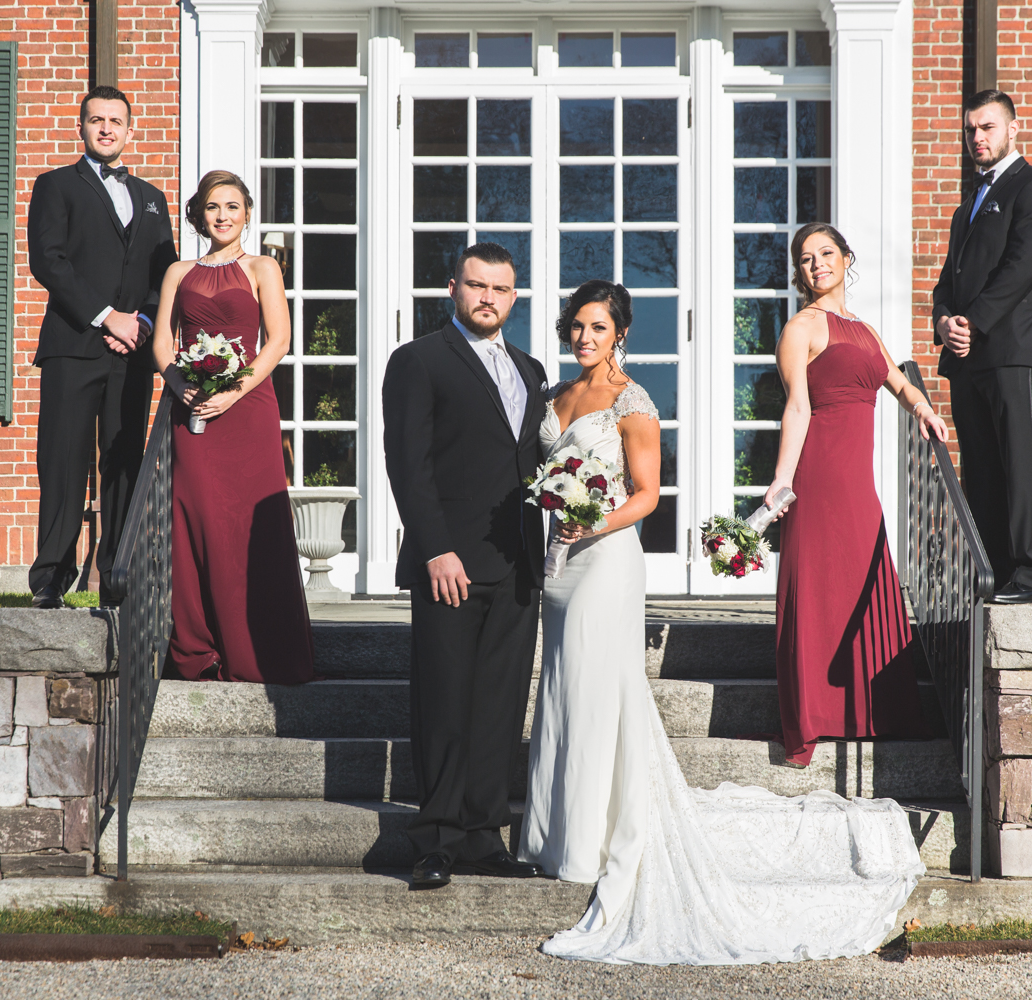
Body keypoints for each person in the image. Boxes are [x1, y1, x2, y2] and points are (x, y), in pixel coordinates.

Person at [521, 280, 926, 966]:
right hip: (558, 566)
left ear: (621, 334)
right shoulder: (555, 395)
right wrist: (560, 518)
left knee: (597, 693)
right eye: (577, 327)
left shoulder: (633, 402)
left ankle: (589, 841)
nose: (585, 337)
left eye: (598, 327)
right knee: (561, 690)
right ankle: (552, 833)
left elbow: (647, 495)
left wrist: (589, 523)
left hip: (604, 561)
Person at [381, 242, 548, 889]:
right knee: (444, 702)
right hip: (448, 562)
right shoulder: (418, 360)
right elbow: (408, 463)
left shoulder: (531, 370)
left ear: (514, 297)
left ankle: (483, 837)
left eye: (500, 289)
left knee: (499, 707)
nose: (488, 298)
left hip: (517, 565)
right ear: (453, 288)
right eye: (477, 286)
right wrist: (434, 547)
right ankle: (437, 839)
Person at [765, 224, 943, 769]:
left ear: (846, 258)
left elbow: (898, 381)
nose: (817, 263)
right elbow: (797, 408)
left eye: (826, 253)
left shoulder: (863, 330)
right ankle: (814, 715)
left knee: (864, 576)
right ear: (799, 272)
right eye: (806, 258)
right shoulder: (801, 327)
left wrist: (923, 409)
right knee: (818, 586)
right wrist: (782, 480)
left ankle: (875, 712)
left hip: (857, 482)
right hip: (819, 475)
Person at [149, 171, 316, 684]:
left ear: (246, 214)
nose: (222, 216)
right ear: (199, 215)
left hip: (248, 410)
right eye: (212, 207)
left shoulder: (263, 267)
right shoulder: (178, 272)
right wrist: (181, 386)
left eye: (232, 206)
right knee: (198, 520)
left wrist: (233, 392)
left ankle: (261, 649)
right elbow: (162, 344)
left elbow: (278, 340)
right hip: (194, 409)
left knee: (250, 525)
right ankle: (200, 649)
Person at [27, 85, 177, 609]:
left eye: (116, 121)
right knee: (63, 461)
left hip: (132, 353)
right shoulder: (55, 185)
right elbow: (48, 261)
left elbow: (166, 273)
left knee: (124, 461)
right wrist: (107, 316)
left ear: (130, 131)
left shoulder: (154, 198)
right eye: (97, 120)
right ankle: (51, 578)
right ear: (81, 128)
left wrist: (142, 322)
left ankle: (116, 576)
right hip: (73, 346)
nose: (107, 128)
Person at [932, 89, 1032, 604]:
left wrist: (973, 322)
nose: (977, 137)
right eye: (970, 129)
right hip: (968, 359)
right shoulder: (966, 207)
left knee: (1021, 463)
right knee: (981, 470)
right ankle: (993, 577)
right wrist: (944, 321)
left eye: (987, 127)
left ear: (1013, 128)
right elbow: (947, 281)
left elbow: (1022, 269)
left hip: (1013, 351)